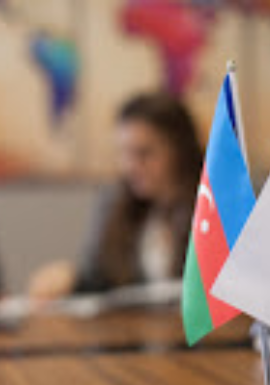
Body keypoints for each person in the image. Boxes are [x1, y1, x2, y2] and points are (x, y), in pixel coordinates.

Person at [29, 92, 203, 299]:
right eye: (124, 153)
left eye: (144, 153)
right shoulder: (114, 203)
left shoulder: (212, 208)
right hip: (134, 320)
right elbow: (96, 278)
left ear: (180, 150)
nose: (130, 166)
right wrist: (70, 279)